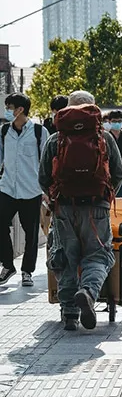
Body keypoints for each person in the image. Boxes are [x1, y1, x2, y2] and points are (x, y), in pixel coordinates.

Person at [39, 90, 122, 331]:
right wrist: (105, 197)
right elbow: (118, 174)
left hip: (64, 207)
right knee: (98, 255)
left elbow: (43, 177)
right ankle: (88, 291)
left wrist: (55, 196)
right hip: (96, 207)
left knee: (65, 257)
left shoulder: (55, 139)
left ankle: (69, 313)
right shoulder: (104, 138)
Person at [0, 92, 50, 287]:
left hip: (31, 189)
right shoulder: (4, 131)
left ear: (20, 109)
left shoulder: (39, 131)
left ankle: (27, 271)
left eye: (10, 107)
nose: (7, 110)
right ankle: (7, 265)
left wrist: (47, 188)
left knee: (31, 232)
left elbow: (46, 162)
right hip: (7, 188)